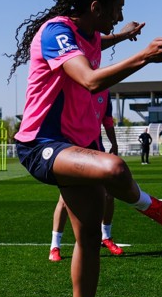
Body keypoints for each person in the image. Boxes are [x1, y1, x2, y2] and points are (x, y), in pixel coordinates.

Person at [10, 0, 162, 297]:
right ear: (94, 6)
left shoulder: (88, 31)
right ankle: (148, 205)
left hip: (76, 140)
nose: (120, 16)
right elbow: (89, 79)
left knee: (89, 238)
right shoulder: (57, 33)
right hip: (43, 144)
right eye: (116, 9)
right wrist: (143, 56)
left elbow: (97, 44)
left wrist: (122, 38)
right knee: (114, 169)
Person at [50, 91, 124, 260]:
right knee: (64, 199)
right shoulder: (73, 85)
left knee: (108, 194)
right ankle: (55, 246)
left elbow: (107, 119)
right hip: (70, 148)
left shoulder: (105, 92)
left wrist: (114, 143)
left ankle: (106, 236)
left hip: (95, 147)